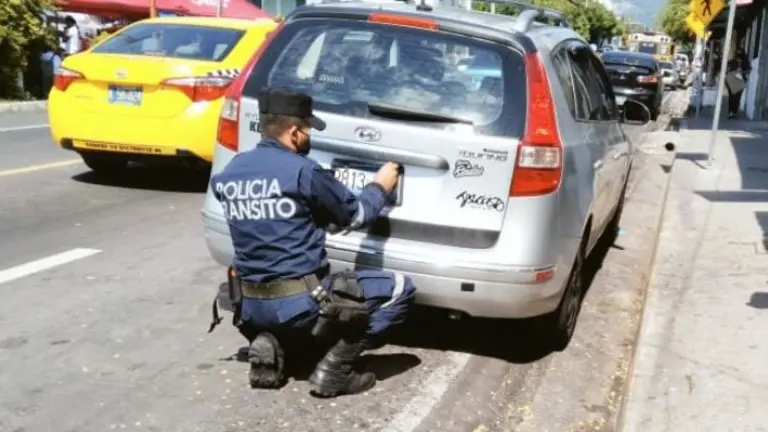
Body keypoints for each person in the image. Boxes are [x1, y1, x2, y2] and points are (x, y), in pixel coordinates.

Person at [208, 88, 416, 397]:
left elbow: (273, 219)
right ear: (294, 132)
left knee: (289, 302)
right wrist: (380, 185)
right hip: (302, 304)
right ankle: (335, 369)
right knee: (401, 288)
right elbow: (357, 214)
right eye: (307, 130)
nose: (309, 137)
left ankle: (275, 343)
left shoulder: (232, 171)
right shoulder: (303, 172)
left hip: (249, 307)